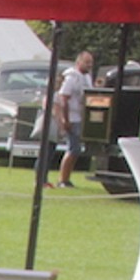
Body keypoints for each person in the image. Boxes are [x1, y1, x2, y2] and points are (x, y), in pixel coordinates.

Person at [48, 51, 94, 188]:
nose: (89, 65)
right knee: (73, 148)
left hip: (80, 117)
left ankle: (67, 178)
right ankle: (63, 179)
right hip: (72, 118)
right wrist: (65, 119)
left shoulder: (87, 77)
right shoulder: (72, 78)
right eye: (86, 62)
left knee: (76, 149)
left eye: (91, 62)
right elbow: (64, 98)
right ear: (78, 62)